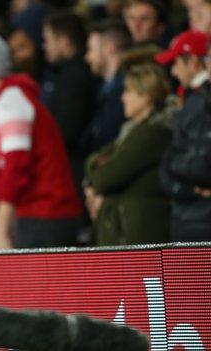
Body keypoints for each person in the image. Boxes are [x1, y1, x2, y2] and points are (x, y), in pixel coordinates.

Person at [0, 32, 82, 250]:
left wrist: (1, 230)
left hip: (47, 215)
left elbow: (15, 168)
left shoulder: (11, 102)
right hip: (36, 215)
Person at [84, 64, 173, 245]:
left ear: (146, 96)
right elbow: (92, 161)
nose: (123, 97)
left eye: (129, 91)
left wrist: (96, 183)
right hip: (126, 230)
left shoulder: (154, 134)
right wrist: (93, 182)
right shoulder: (131, 131)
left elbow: (106, 176)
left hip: (141, 233)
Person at [155, 30, 211, 241]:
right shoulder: (193, 101)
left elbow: (200, 165)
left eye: (177, 63)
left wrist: (170, 163)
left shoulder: (200, 104)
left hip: (199, 218)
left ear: (194, 62)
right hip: (192, 214)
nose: (174, 72)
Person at [41, 11, 97, 188]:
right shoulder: (66, 74)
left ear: (64, 41)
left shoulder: (74, 78)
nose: (45, 46)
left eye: (48, 40)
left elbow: (66, 130)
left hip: (71, 170)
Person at [82, 20, 133, 155]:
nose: (87, 57)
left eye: (90, 49)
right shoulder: (105, 88)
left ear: (109, 48)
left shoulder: (128, 89)